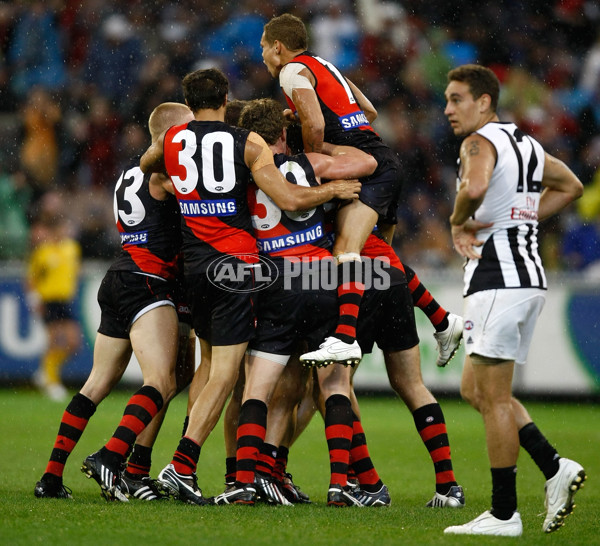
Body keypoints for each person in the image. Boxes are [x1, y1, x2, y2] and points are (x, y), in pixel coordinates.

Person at [139, 68, 361, 505]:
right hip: (236, 267)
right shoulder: (248, 142)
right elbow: (292, 199)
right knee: (228, 376)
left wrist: (177, 173)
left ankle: (211, 471)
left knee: (212, 370)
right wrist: (335, 187)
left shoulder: (172, 141)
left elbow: (150, 166)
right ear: (225, 97)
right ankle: (185, 464)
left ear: (188, 99)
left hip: (195, 266)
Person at [441, 64, 586, 537]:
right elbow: (571, 186)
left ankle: (504, 514)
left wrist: (459, 220)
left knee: (496, 399)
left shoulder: (478, 142)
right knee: (475, 390)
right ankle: (553, 466)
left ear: (484, 102)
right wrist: (520, 220)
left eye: (457, 98)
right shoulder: (524, 143)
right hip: (526, 279)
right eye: (446, 99)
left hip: (498, 279)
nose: (448, 109)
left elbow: (476, 187)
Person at [211, 97, 377, 506]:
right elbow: (367, 163)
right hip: (322, 279)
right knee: (334, 383)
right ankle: (341, 485)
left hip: (276, 283)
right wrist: (317, 142)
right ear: (284, 133)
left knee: (258, 388)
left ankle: (243, 483)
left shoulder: (246, 176)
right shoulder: (311, 165)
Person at [33, 102, 196, 501]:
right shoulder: (163, 171)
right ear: (171, 133)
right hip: (148, 281)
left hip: (118, 275)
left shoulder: (127, 173)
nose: (196, 138)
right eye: (189, 130)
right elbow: (201, 202)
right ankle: (112, 455)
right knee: (161, 381)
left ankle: (51, 476)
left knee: (96, 384)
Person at [260, 13, 403, 366]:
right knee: (376, 250)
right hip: (379, 156)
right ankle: (439, 319)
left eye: (263, 47)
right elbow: (367, 111)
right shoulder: (325, 65)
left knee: (346, 247)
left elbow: (316, 122)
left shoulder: (290, 71)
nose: (262, 54)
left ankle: (345, 336)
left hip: (365, 163)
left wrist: (315, 158)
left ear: (278, 47)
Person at [26, 194, 82, 402]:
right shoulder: (43, 252)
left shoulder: (71, 249)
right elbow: (31, 277)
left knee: (73, 343)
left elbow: (75, 271)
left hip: (66, 300)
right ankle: (51, 381)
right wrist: (34, 299)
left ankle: (45, 372)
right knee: (54, 341)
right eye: (62, 228)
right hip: (49, 300)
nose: (65, 231)